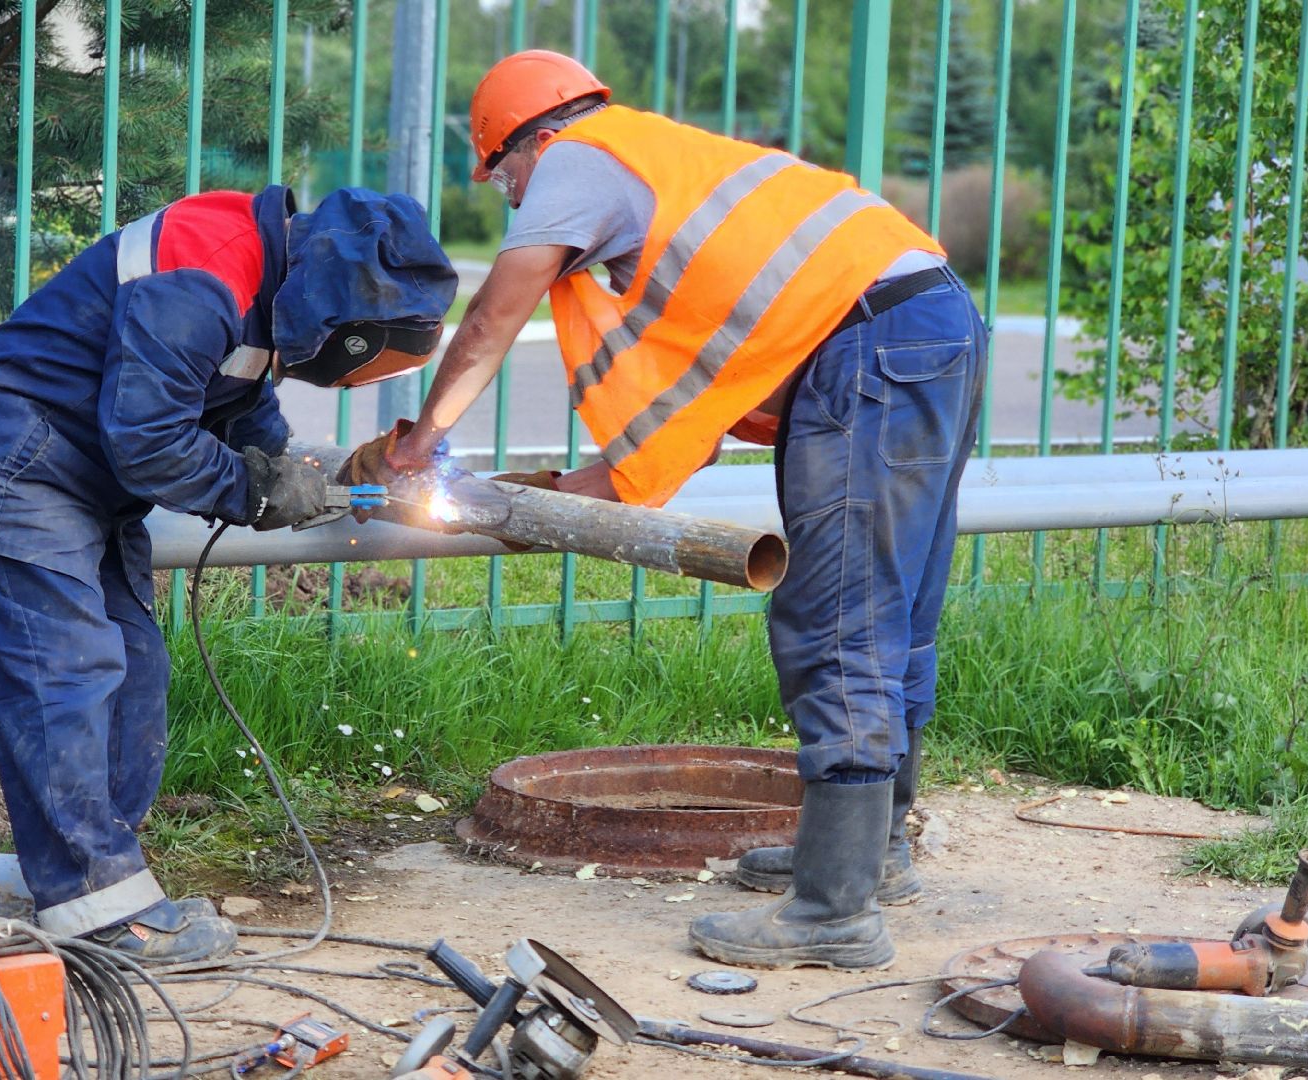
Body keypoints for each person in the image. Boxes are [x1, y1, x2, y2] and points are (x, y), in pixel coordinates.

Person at [341, 51, 986, 970]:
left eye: (501, 175)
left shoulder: (579, 160)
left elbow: (490, 321)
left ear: (532, 141)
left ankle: (834, 910)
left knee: (838, 617)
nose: (511, 196)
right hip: (922, 325)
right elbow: (684, 438)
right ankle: (872, 855)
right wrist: (537, 502)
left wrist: (418, 446)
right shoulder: (667, 182)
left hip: (872, 345)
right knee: (895, 609)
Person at [0, 185, 456, 962]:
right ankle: (96, 909)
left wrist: (300, 471)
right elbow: (149, 441)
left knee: (134, 672)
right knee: (68, 675)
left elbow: (240, 410)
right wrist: (258, 489)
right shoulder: (207, 274)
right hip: (11, 461)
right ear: (348, 319)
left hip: (77, 479)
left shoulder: (266, 285)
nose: (356, 377)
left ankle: (83, 881)